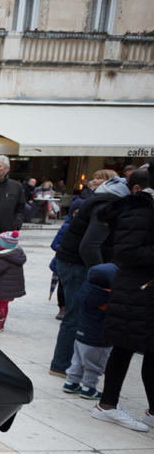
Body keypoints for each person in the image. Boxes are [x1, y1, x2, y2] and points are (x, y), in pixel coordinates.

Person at [49, 175, 129, 375]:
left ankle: (67, 365)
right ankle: (61, 365)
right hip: (76, 264)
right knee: (75, 316)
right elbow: (89, 246)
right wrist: (103, 274)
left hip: (73, 261)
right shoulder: (105, 207)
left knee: (77, 315)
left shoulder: (98, 201)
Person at [94, 169, 153, 431]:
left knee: (149, 350)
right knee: (124, 347)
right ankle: (106, 406)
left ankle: (152, 411)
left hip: (144, 291)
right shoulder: (141, 209)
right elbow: (127, 253)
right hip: (137, 291)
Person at [63, 263, 116, 401]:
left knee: (77, 361)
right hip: (97, 341)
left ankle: (71, 382)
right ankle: (88, 388)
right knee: (93, 366)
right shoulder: (106, 297)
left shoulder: (85, 290)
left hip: (81, 335)